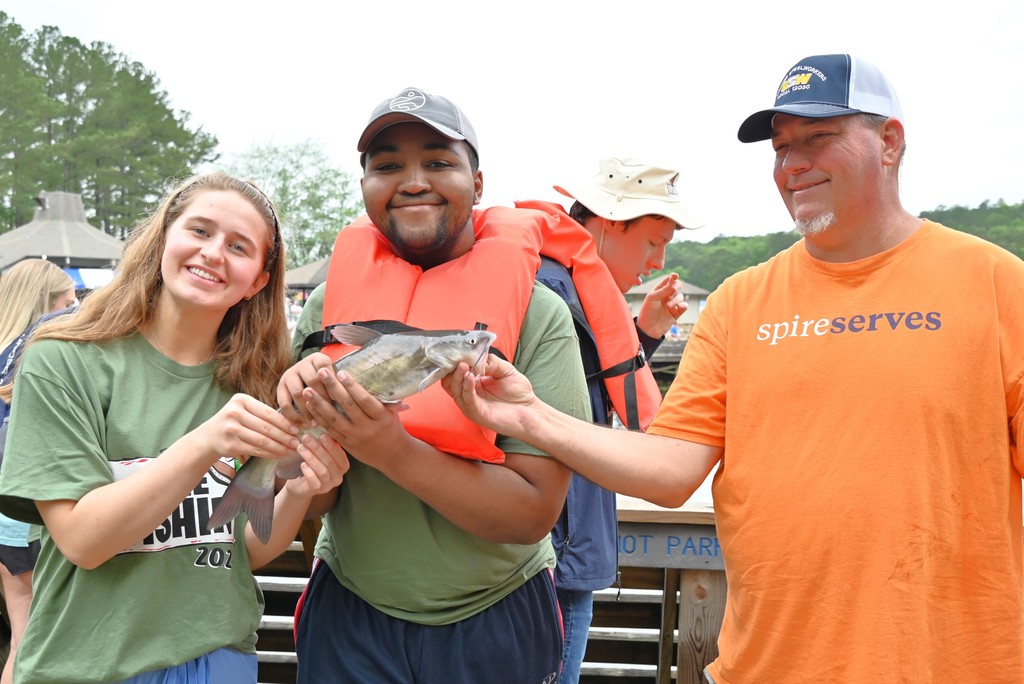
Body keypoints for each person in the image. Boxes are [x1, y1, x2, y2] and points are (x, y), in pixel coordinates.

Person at [441, 54, 1024, 683]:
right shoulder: (739, 302)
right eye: (780, 147)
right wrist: (531, 414)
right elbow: (670, 472)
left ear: (889, 142)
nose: (792, 164)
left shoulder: (997, 285)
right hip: (763, 668)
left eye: (817, 138)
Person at [277, 86, 590, 683]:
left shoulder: (541, 314)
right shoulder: (326, 309)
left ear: (478, 183)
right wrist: (300, 439)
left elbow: (532, 514)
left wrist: (391, 450)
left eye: (439, 162)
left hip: (496, 611)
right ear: (365, 185)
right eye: (387, 165)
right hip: (350, 607)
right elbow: (310, 502)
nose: (413, 180)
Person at [0, 172, 349, 683]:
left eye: (238, 246)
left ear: (257, 279)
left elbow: (242, 550)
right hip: (88, 663)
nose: (213, 253)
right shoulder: (63, 360)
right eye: (200, 231)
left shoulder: (258, 383)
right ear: (163, 237)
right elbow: (82, 542)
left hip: (220, 654)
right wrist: (206, 443)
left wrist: (297, 491)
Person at [514, 158, 702, 683]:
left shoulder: (556, 282)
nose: (659, 259)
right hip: (555, 558)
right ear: (609, 222)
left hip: (543, 548)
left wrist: (645, 333)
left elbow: (580, 393)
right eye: (651, 241)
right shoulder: (557, 294)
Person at [0, 258, 76, 684]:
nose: (74, 314)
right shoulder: (41, 352)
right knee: (41, 641)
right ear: (45, 303)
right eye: (67, 304)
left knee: (21, 635)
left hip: (2, 522)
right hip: (32, 511)